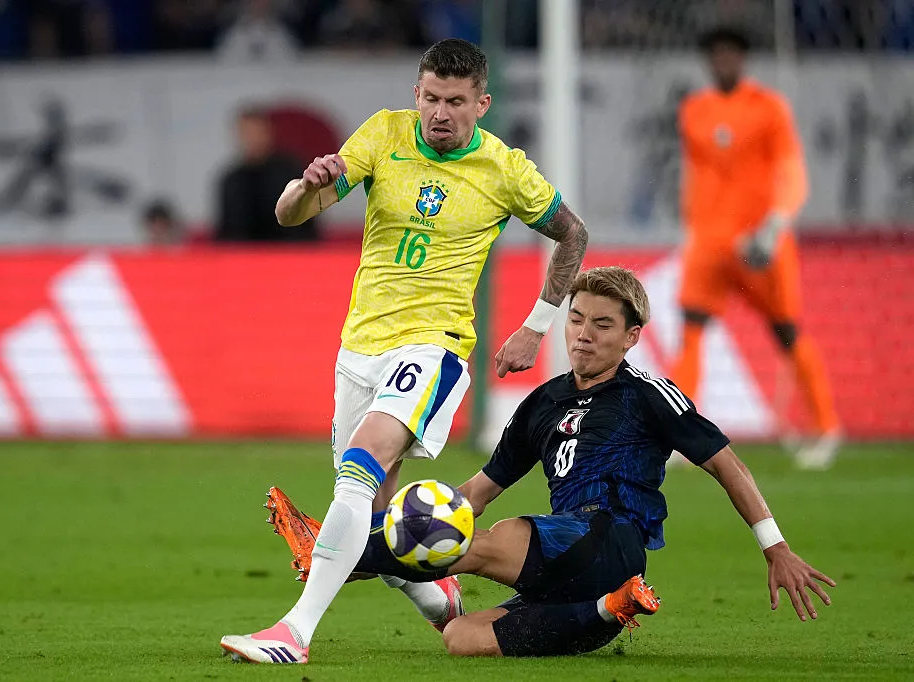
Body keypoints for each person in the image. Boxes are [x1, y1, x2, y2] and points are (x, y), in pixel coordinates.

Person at [219, 38, 590, 664]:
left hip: (433, 347)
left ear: (481, 104)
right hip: (358, 348)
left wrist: (537, 325)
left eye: (454, 102)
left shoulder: (504, 169)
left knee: (356, 475)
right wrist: (306, 186)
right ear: (415, 95)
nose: (439, 113)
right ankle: (437, 592)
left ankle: (294, 634)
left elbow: (572, 233)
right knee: (374, 518)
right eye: (430, 99)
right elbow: (290, 215)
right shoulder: (384, 135)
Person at [267, 266, 836, 658]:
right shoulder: (543, 402)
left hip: (609, 537)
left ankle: (328, 545)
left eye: (602, 324)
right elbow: (479, 490)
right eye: (576, 319)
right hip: (572, 591)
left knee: (483, 542)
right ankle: (611, 610)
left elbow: (726, 465)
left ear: (632, 336)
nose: (583, 336)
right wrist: (424, 510)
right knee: (461, 636)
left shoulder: (649, 395)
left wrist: (776, 547)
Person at [672, 26, 841, 470]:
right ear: (709, 60)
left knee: (786, 330)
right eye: (717, 54)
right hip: (709, 241)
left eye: (731, 53)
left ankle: (826, 428)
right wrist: (690, 223)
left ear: (743, 59)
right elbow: (697, 175)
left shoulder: (769, 108)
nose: (724, 61)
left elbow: (791, 170)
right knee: (690, 329)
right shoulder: (694, 111)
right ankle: (679, 434)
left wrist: (776, 223)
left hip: (759, 242)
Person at [213, 107, 317, 242]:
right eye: (246, 133)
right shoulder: (231, 180)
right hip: (243, 259)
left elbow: (303, 227)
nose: (251, 139)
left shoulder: (291, 171)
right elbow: (228, 233)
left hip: (289, 255)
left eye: (256, 132)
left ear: (268, 133)